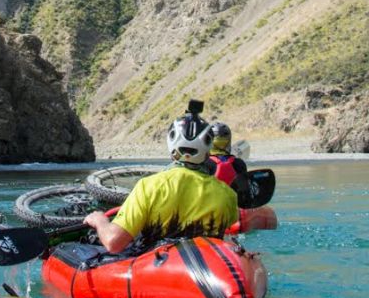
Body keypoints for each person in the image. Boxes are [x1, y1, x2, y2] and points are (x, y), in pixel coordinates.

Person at [83, 108, 239, 253]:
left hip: (157, 267)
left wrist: (99, 220)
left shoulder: (148, 186)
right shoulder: (227, 194)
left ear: (171, 144)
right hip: (207, 266)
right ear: (208, 149)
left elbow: (113, 243)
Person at [205, 120, 251, 201]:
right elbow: (246, 193)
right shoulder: (239, 163)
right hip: (234, 209)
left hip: (212, 209)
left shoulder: (204, 163)